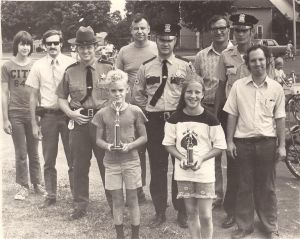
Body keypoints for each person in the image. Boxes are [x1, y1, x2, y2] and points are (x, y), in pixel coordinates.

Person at [133, 22, 197, 228]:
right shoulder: (146, 67)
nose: (165, 44)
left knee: (181, 166)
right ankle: (160, 210)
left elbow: (194, 92)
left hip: (179, 121)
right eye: (162, 39)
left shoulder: (185, 66)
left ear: (175, 40)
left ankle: (181, 211)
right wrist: (151, 109)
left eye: (169, 40)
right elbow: (137, 94)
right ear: (156, 40)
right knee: (158, 168)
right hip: (156, 122)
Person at [223, 45, 286, 239]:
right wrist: (230, 142)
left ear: (267, 60)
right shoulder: (238, 86)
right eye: (253, 60)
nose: (257, 63)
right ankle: (245, 226)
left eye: (261, 59)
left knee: (267, 187)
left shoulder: (276, 88)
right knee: (244, 186)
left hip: (267, 143)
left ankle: (270, 226)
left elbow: (280, 118)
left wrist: (282, 145)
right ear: (248, 64)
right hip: (243, 144)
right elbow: (232, 115)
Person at [213, 13, 265, 229]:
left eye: (244, 30)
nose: (240, 34)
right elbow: (220, 88)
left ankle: (261, 215)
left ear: (252, 32)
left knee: (257, 168)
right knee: (234, 167)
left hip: (255, 117)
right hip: (232, 117)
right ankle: (232, 211)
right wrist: (216, 118)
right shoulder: (226, 56)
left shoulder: (260, 55)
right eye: (237, 30)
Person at [56, 26, 113, 220]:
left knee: (107, 164)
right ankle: (80, 205)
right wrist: (71, 114)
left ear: (96, 47)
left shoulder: (108, 68)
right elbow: (61, 97)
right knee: (79, 165)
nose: (86, 51)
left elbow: (120, 94)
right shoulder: (70, 71)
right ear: (76, 50)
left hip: (103, 124)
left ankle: (115, 203)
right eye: (82, 47)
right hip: (80, 123)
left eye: (89, 47)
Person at [163, 79, 226, 239]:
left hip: (204, 174)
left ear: (203, 94)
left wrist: (202, 158)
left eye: (197, 92)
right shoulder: (174, 119)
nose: (193, 96)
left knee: (205, 215)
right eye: (189, 92)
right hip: (184, 173)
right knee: (191, 213)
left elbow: (219, 146)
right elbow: (168, 144)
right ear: (183, 94)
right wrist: (181, 157)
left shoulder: (211, 119)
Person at [92, 69, 147, 239]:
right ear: (108, 91)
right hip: (112, 163)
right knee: (117, 200)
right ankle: (120, 235)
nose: (117, 94)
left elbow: (144, 137)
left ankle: (135, 235)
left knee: (132, 199)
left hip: (131, 161)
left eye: (121, 90)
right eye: (113, 90)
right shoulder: (102, 113)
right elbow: (98, 140)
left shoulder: (135, 111)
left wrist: (130, 146)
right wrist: (108, 146)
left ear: (127, 89)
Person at [26, 30, 75, 208]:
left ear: (61, 44)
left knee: (73, 157)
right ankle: (51, 194)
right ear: (44, 45)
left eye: (56, 43)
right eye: (49, 43)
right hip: (48, 117)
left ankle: (76, 195)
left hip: (68, 115)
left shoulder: (71, 63)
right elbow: (32, 96)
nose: (53, 46)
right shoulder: (38, 65)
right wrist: (34, 123)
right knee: (49, 158)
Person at [116, 13, 157, 203]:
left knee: (155, 151)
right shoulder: (124, 52)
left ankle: (157, 193)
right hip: (131, 110)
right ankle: (137, 190)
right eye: (136, 28)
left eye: (143, 28)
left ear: (148, 30)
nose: (140, 31)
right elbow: (117, 79)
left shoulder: (157, 48)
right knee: (134, 152)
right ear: (131, 31)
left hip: (154, 109)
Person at [193, 14, 233, 209]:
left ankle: (233, 199)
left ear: (228, 29)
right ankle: (216, 196)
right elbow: (194, 84)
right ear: (210, 30)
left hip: (234, 111)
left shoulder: (238, 53)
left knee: (234, 155)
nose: (219, 31)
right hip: (209, 109)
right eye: (215, 28)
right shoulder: (201, 56)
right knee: (212, 155)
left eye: (222, 27)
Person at [1, 31, 44, 201]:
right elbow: (4, 93)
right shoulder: (7, 66)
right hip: (16, 114)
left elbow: (39, 93)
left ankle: (37, 183)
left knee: (34, 152)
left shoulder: (36, 65)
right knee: (21, 152)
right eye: (22, 43)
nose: (25, 47)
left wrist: (41, 115)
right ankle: (22, 186)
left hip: (33, 114)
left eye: (28, 44)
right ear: (16, 45)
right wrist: (5, 119)